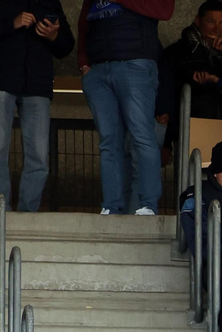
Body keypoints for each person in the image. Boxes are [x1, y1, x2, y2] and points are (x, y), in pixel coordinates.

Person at [76, 0, 171, 216]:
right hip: (98, 69)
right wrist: (83, 64)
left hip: (136, 62)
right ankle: (111, 205)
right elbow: (83, 24)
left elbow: (166, 9)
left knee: (142, 136)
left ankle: (148, 204)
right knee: (109, 142)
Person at [0, 0, 74, 212]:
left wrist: (53, 36)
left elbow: (67, 44)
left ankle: (28, 212)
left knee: (39, 155)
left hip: (37, 84)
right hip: (0, 78)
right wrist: (11, 24)